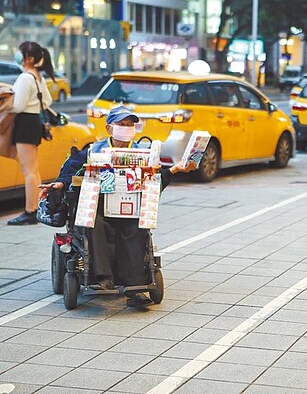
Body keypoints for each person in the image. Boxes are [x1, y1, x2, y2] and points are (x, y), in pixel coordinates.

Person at [39, 106, 197, 307]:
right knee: (94, 225)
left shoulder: (143, 152)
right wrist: (60, 183)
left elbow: (156, 180)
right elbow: (71, 171)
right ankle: (103, 278)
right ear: (109, 128)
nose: (126, 128)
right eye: (121, 124)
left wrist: (175, 170)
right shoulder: (93, 150)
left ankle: (137, 288)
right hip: (99, 206)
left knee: (136, 228)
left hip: (129, 206)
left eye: (130, 124)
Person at [7, 41, 55, 225]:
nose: (17, 55)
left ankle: (30, 211)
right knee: (33, 169)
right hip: (34, 122)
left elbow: (18, 105)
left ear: (29, 58)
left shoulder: (25, 78)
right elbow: (48, 100)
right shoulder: (37, 77)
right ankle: (37, 207)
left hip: (25, 123)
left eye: (20, 53)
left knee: (28, 171)